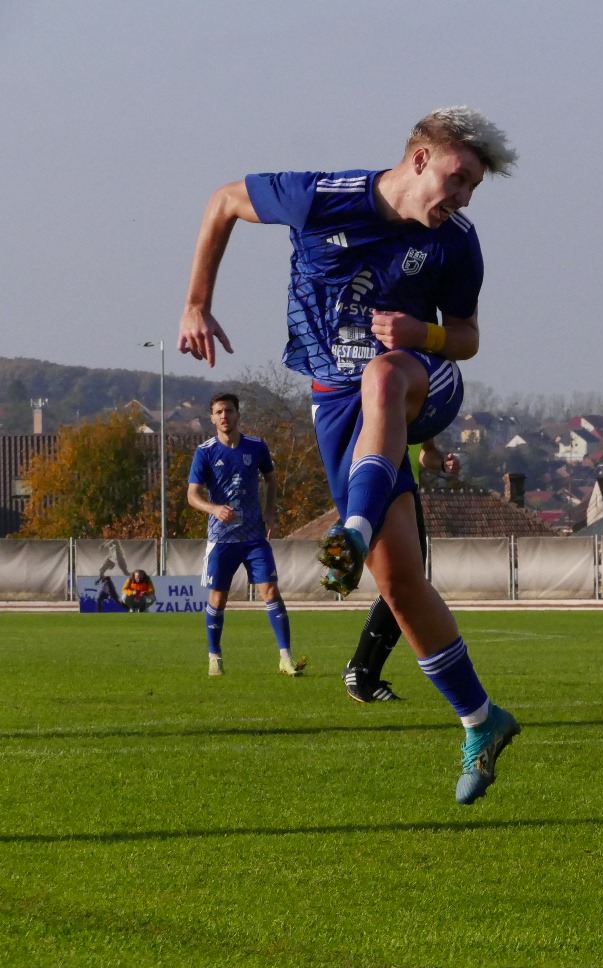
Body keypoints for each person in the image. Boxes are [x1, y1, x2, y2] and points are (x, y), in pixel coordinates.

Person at [178, 107, 521, 805]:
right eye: (459, 179)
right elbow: (222, 201)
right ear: (420, 157)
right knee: (398, 584)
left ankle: (351, 531)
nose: (463, 198)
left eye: (474, 189)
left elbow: (467, 338)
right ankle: (482, 721)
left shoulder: (457, 242)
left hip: (422, 378)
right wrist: (195, 303)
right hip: (339, 403)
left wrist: (420, 331)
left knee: (383, 374)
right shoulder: (318, 197)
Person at [186, 392, 304, 677]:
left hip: (253, 537)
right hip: (222, 538)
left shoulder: (257, 446)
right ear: (212, 418)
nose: (224, 416)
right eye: (218, 412)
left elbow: (271, 479)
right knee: (218, 598)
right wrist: (213, 509)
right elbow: (192, 495)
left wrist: (270, 512)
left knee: (271, 591)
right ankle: (215, 657)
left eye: (228, 411)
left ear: (238, 415)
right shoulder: (205, 451)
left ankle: (285, 658)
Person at [344, 441, 459, 703]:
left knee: (408, 585)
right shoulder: (379, 400)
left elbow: (425, 452)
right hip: (377, 490)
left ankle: (366, 673)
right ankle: (360, 669)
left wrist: (442, 464)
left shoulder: (419, 405)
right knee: (401, 584)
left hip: (406, 493)